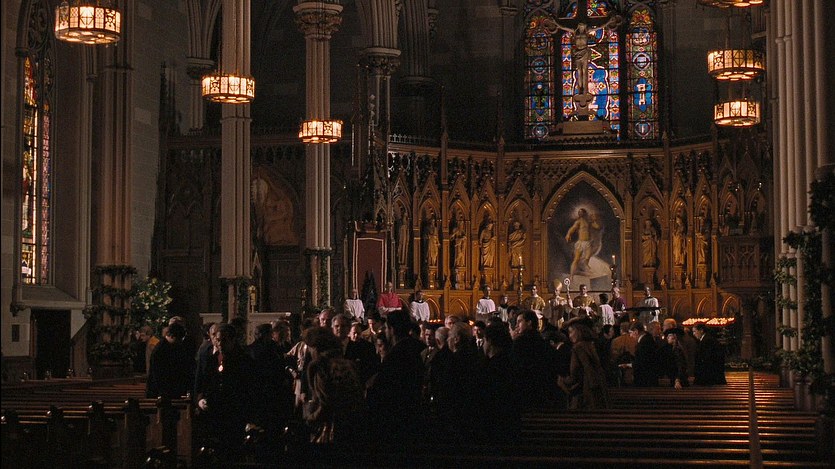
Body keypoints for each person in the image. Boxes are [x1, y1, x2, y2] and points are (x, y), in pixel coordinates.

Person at [543, 15, 623, 96]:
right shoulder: (575, 31)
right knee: (579, 70)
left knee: (584, 70)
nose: (581, 27)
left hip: (584, 52)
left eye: (583, 25)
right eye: (580, 25)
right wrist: (555, 23)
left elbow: (599, 27)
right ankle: (580, 88)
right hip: (578, 52)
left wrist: (608, 22)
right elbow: (563, 27)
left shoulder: (587, 31)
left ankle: (585, 89)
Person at [561, 322, 609, 409]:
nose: (569, 336)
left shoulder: (578, 348)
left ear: (578, 332)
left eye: (571, 332)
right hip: (596, 389)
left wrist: (562, 380)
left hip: (584, 392)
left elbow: (575, 373)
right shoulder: (590, 345)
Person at [146, 322, 194, 399]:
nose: (180, 341)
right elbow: (158, 374)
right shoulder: (160, 350)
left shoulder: (174, 346)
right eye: (178, 339)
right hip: (162, 392)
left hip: (171, 390)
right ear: (172, 336)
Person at [565, 208, 601, 278]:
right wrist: (568, 234)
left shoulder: (589, 222)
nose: (580, 214)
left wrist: (594, 220)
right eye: (579, 212)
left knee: (587, 257)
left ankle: (585, 266)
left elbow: (597, 227)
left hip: (587, 243)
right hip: (580, 243)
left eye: (581, 212)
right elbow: (573, 228)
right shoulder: (578, 221)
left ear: (584, 213)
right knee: (576, 259)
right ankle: (571, 275)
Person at [628, 321, 658, 387]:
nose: (630, 336)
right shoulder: (647, 339)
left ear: (636, 331)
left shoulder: (644, 343)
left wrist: (629, 365)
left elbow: (643, 362)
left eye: (630, 333)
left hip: (645, 380)